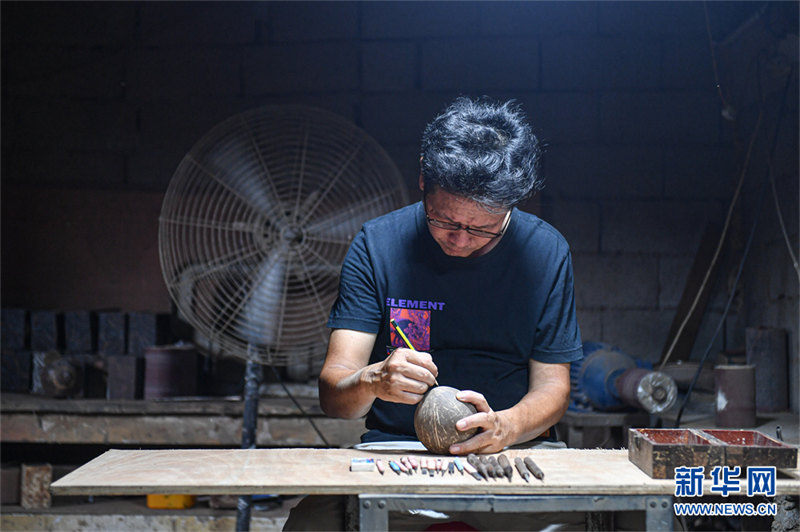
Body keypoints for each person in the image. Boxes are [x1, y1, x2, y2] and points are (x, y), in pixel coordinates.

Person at [284, 96, 584, 530]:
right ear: (423, 178)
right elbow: (335, 397)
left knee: (621, 520)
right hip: (399, 451)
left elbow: (554, 389)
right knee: (311, 526)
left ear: (513, 206)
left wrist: (508, 425)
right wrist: (372, 379)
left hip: (513, 453)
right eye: (445, 221)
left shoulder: (545, 252)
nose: (460, 240)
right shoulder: (378, 245)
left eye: (481, 227)